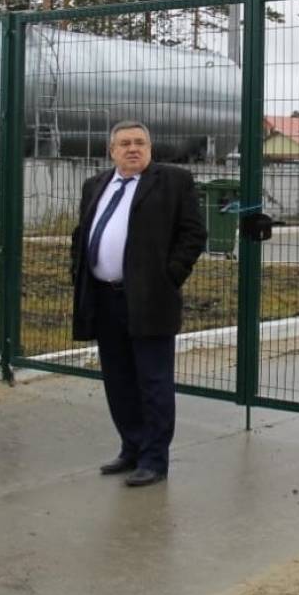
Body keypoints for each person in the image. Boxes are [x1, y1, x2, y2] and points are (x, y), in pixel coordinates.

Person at [70, 120, 207, 487]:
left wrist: (169, 277)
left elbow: (194, 233)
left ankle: (154, 459)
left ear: (150, 148)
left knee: (153, 381)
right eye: (125, 143)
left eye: (140, 143)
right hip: (103, 298)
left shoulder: (173, 181)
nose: (133, 149)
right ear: (111, 150)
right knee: (118, 380)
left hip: (150, 299)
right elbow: (81, 234)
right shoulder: (95, 185)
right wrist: (78, 271)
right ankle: (131, 447)